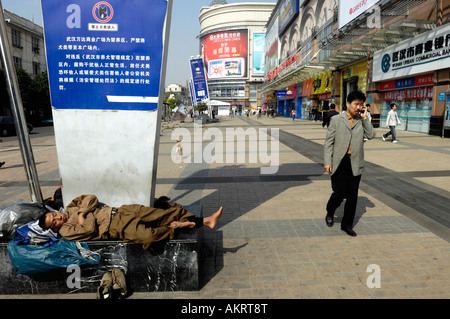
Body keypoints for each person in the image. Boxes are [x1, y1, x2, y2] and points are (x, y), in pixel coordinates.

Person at [39, 194, 223, 250]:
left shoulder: (71, 208)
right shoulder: (66, 231)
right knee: (147, 237)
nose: (57, 219)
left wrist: (83, 211)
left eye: (54, 216)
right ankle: (173, 228)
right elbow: (89, 230)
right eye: (54, 223)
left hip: (121, 210)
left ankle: (206, 221)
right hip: (115, 226)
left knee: (162, 214)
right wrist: (85, 217)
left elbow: (90, 197)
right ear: (54, 229)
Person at [323, 91, 376, 237]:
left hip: (355, 162)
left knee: (352, 196)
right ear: (348, 104)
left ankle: (347, 225)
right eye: (356, 104)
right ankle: (330, 211)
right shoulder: (336, 120)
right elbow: (328, 142)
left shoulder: (361, 120)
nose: (358, 107)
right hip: (339, 162)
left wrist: (365, 119)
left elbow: (371, 135)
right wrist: (327, 161)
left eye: (361, 104)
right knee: (339, 194)